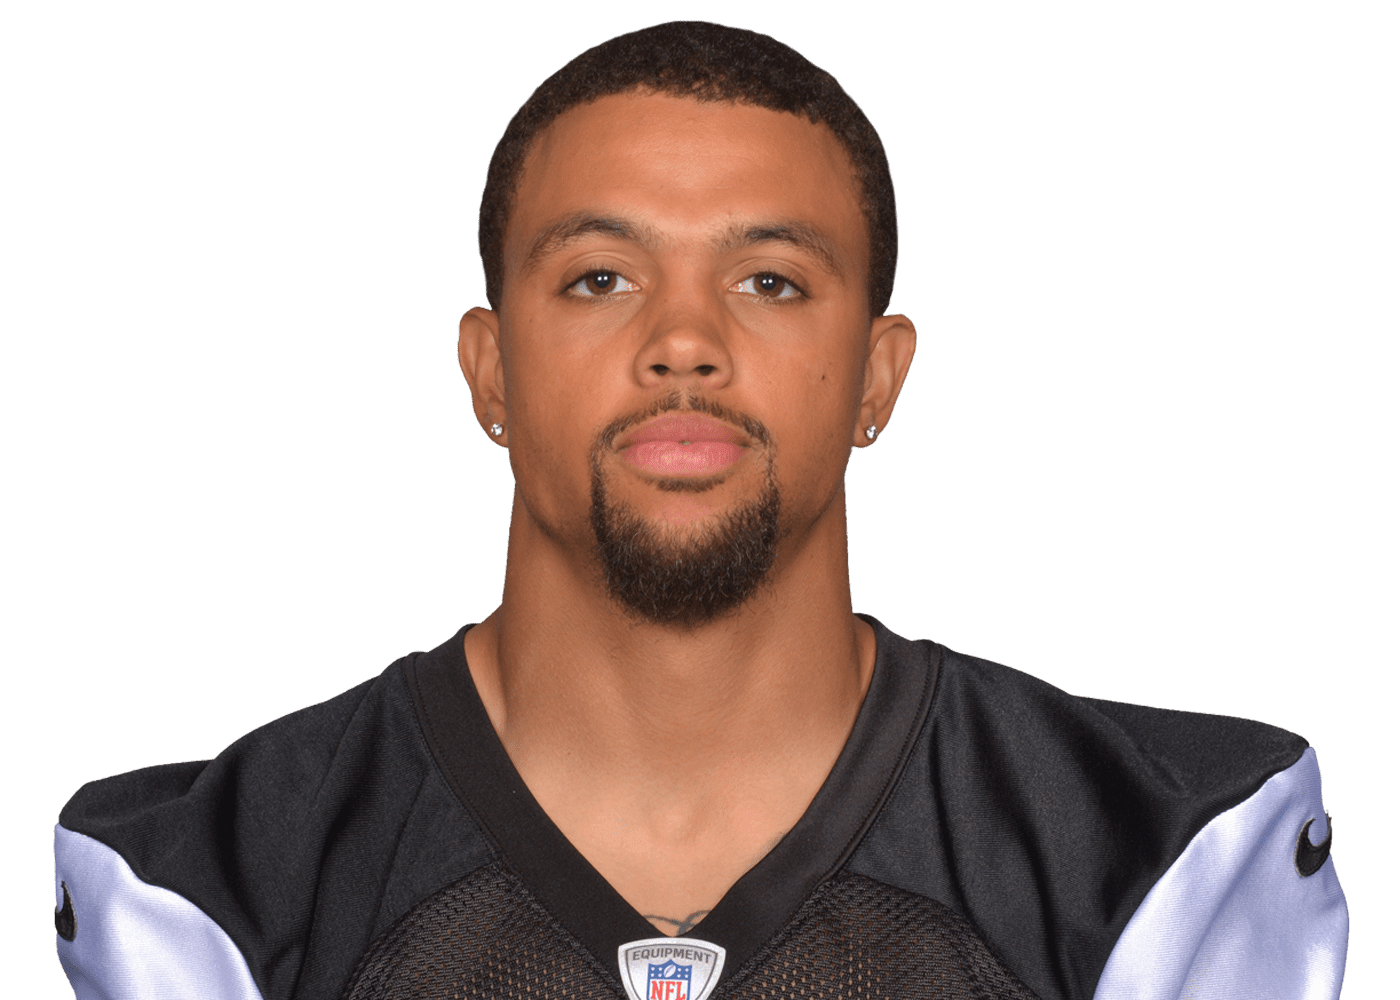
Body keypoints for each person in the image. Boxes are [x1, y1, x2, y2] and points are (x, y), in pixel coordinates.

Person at [52, 21, 1347, 1000]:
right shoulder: (232, 881)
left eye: (770, 281)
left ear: (877, 377)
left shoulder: (1139, 855)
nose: (684, 340)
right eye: (600, 277)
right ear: (491, 372)